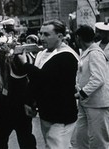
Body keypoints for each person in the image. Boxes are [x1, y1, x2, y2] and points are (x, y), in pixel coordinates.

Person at [17, 19, 79, 149]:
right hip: (47, 112)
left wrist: (25, 64)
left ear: (60, 36)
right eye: (41, 34)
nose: (41, 37)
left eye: (46, 34)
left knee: (55, 145)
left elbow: (44, 78)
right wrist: (29, 101)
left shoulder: (67, 56)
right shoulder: (42, 53)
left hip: (62, 114)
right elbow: (34, 82)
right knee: (53, 145)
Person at [0, 18, 37, 149]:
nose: (1, 38)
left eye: (4, 35)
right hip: (3, 105)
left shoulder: (21, 53)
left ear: (12, 35)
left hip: (20, 105)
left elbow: (24, 75)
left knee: (25, 140)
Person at [72, 25, 109, 148]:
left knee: (98, 139)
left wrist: (82, 92)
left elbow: (98, 79)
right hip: (86, 102)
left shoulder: (95, 53)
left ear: (78, 38)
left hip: (97, 103)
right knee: (81, 137)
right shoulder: (86, 52)